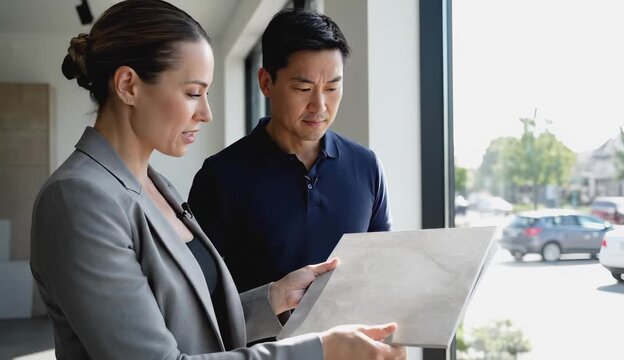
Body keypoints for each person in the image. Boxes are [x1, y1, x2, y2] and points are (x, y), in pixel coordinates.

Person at [29, 1, 406, 359]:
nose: (206, 113)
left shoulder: (159, 188)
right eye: (193, 93)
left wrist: (275, 297)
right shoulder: (78, 198)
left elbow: (194, 326)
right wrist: (320, 351)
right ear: (128, 85)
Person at [188, 8, 392, 294]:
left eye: (332, 88)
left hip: (351, 339)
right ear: (266, 82)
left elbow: (382, 271)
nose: (320, 106)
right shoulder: (220, 176)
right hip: (260, 340)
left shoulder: (366, 166)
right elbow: (196, 297)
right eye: (303, 88)